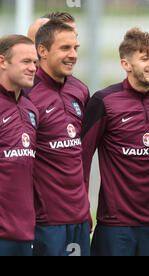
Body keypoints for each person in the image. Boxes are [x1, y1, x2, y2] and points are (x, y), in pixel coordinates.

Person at [81, 27, 149, 256]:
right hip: (116, 224)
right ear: (126, 65)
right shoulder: (104, 101)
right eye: (145, 58)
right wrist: (81, 210)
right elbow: (82, 160)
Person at [25, 20, 91, 256]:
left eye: (75, 48)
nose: (73, 55)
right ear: (42, 51)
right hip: (45, 221)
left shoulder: (80, 90)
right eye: (65, 48)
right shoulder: (25, 93)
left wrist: (85, 209)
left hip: (80, 217)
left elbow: (81, 154)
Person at [0, 34, 39, 256]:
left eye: (34, 62)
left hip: (25, 233)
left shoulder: (30, 109)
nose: (33, 68)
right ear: (3, 62)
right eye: (26, 62)